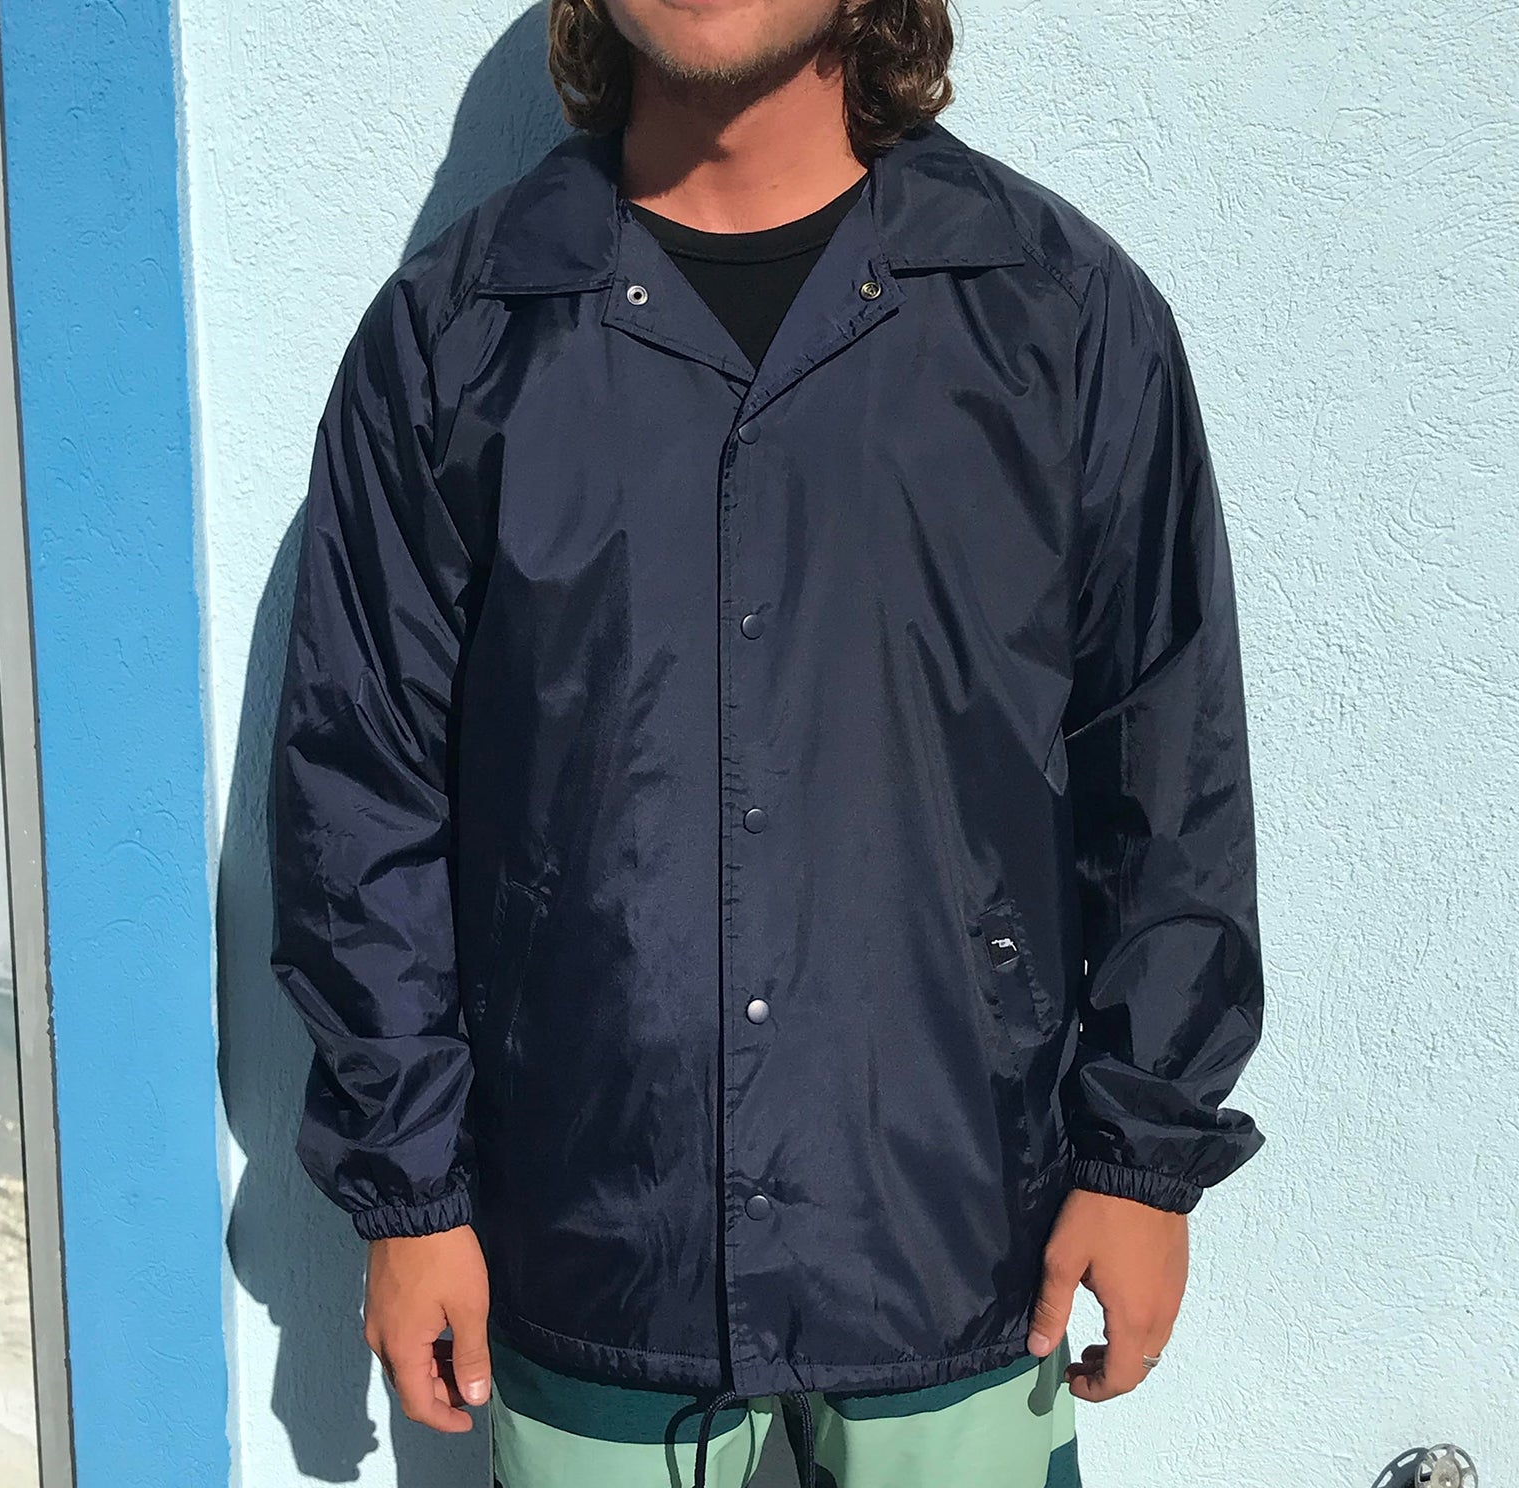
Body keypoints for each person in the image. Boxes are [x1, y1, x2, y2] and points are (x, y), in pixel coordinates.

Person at [266, 1, 1267, 1484]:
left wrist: (1145, 1156)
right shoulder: (459, 338)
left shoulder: (1053, 314)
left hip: (956, 1236)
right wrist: (408, 1190)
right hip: (598, 1241)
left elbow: (1166, 759)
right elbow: (363, 788)